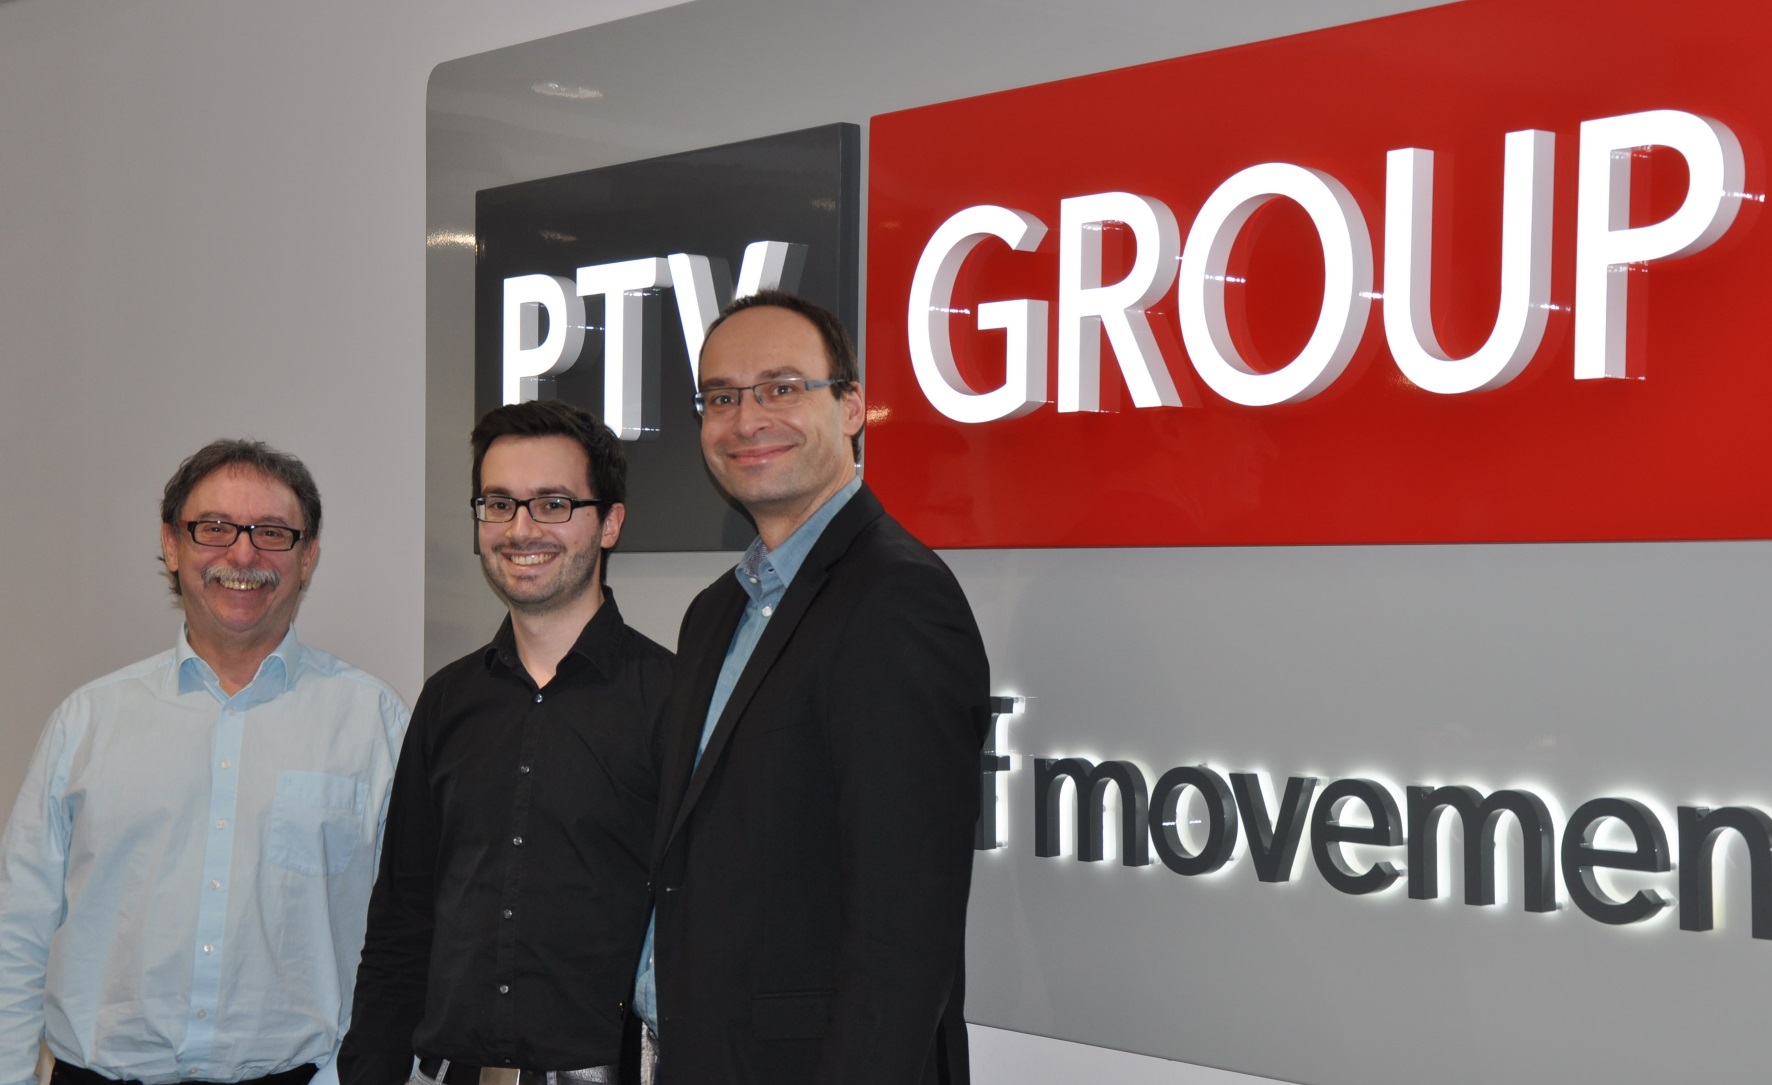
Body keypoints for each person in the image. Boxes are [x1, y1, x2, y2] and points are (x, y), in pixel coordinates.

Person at [634, 292, 991, 1084]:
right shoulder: (714, 613)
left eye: (782, 387)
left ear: (852, 407)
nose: (747, 418)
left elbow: (904, 930)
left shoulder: (899, 601)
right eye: (721, 397)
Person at [0, 440, 409, 1085]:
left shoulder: (374, 724)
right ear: (171, 545)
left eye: (272, 533)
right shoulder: (86, 723)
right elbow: (16, 931)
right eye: (214, 528)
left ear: (307, 556)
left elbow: (409, 937)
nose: (243, 555)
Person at [341, 401, 671, 1085]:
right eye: (498, 504)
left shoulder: (673, 700)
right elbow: (402, 919)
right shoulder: (445, 701)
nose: (521, 529)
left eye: (553, 503)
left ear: (610, 522)